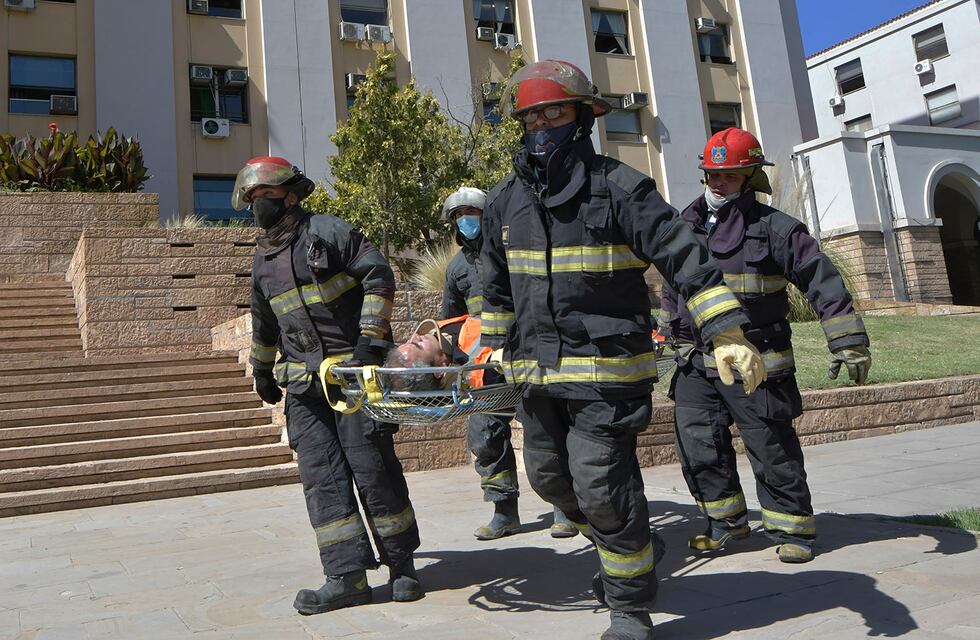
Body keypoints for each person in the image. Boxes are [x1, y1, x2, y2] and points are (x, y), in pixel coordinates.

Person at [480, 60, 765, 640]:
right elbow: (494, 283)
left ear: (583, 117)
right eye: (532, 115)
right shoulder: (504, 200)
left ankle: (630, 605)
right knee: (549, 479)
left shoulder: (620, 186)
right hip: (536, 375)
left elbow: (685, 257)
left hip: (607, 374)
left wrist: (728, 332)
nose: (542, 125)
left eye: (554, 112)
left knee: (599, 485)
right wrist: (490, 347)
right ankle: (633, 539)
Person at [658, 128, 872, 565]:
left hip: (759, 363)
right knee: (698, 446)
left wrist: (847, 340)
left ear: (751, 176)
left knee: (771, 447)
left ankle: (793, 528)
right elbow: (671, 288)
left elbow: (823, 281)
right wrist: (669, 336)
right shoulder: (685, 225)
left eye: (730, 177)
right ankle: (726, 523)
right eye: (712, 175)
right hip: (697, 364)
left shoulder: (777, 229)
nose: (718, 184)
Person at [232, 156, 423, 615]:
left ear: (291, 196)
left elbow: (379, 276)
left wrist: (368, 342)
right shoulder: (262, 262)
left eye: (267, 196)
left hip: (353, 380)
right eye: (253, 199)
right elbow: (264, 323)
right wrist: (261, 371)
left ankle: (403, 569)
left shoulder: (329, 232)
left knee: (373, 469)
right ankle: (346, 577)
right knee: (323, 481)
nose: (261, 205)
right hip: (303, 389)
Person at [441, 187, 578, 541]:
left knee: (545, 430)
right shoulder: (456, 268)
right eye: (458, 216)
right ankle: (504, 511)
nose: (465, 220)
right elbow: (451, 321)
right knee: (485, 436)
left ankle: (564, 508)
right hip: (482, 367)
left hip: (524, 354)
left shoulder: (510, 251)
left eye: (471, 212)